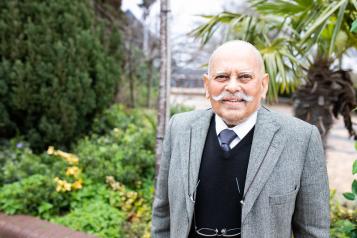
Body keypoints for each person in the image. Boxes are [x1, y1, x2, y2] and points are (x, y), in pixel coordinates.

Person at [151, 40, 330, 238]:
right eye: (222, 77)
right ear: (207, 85)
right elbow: (162, 215)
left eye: (245, 77)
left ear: (263, 85)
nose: (232, 87)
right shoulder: (179, 128)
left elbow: (313, 232)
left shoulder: (301, 139)